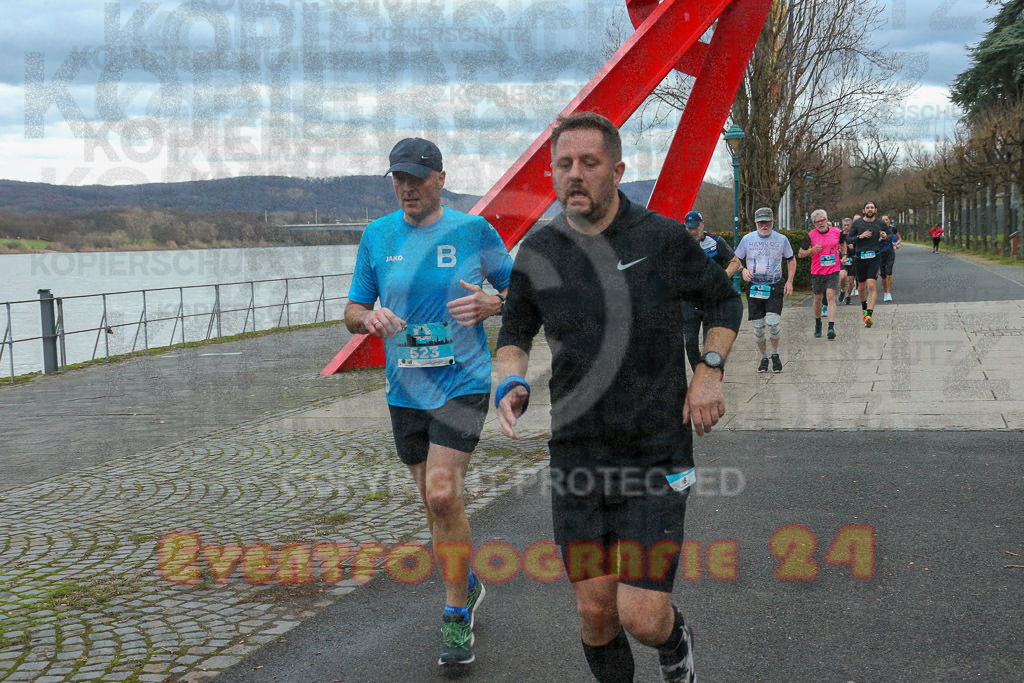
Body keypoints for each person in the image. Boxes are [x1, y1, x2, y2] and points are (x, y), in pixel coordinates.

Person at [495, 112, 742, 683]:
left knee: (643, 617)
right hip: (577, 453)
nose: (575, 174)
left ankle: (675, 642)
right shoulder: (540, 250)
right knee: (595, 610)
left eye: (590, 162)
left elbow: (724, 302)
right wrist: (510, 382)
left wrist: (709, 370)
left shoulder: (661, 239)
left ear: (618, 170)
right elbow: (515, 333)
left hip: (655, 451)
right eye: (564, 164)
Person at [344, 137, 513, 666]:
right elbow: (352, 309)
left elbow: (521, 292)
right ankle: (467, 580)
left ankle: (456, 613)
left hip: (463, 380)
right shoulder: (377, 235)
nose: (407, 187)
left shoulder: (473, 231)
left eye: (417, 178)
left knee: (441, 496)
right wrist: (368, 318)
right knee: (434, 501)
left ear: (440, 178)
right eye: (398, 178)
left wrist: (493, 303)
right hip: (405, 389)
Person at [734, 207, 796, 372]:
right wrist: (743, 270)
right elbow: (735, 259)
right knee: (759, 328)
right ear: (755, 222)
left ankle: (775, 354)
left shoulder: (781, 239)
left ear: (773, 221)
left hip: (774, 286)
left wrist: (789, 281)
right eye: (760, 222)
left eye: (767, 222)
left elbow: (791, 259)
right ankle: (764, 358)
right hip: (755, 287)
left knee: (773, 324)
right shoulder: (747, 239)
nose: (764, 225)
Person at [682, 210, 741, 371]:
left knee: (709, 343)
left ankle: (710, 373)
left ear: (702, 225)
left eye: (695, 227)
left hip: (712, 301)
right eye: (689, 228)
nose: (692, 231)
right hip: (690, 302)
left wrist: (723, 276)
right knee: (690, 343)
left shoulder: (715, 242)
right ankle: (699, 373)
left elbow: (735, 262)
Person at [798, 209, 844, 339]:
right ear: (814, 223)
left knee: (830, 296)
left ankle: (831, 327)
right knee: (818, 299)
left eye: (822, 220)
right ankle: (818, 323)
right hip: (817, 272)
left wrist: (844, 254)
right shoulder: (810, 235)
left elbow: (842, 243)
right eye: (817, 222)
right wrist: (811, 250)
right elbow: (800, 254)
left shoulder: (836, 232)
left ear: (826, 220)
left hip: (833, 270)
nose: (820, 223)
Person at [850, 201, 887, 327]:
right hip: (860, 257)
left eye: (872, 207)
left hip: (874, 256)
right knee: (861, 286)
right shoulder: (857, 223)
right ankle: (864, 308)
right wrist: (860, 237)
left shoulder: (880, 223)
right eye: (867, 207)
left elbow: (890, 234)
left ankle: (869, 315)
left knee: (871, 285)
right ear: (863, 210)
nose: (870, 209)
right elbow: (849, 238)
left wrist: (885, 235)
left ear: (876, 210)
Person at [878, 214, 901, 302]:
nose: (885, 221)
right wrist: (880, 239)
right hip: (880, 253)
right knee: (883, 274)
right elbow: (873, 242)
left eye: (886, 219)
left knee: (889, 271)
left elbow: (899, 239)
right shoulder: (878, 230)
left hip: (890, 252)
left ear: (889, 220)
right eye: (883, 220)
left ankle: (888, 292)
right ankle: (885, 292)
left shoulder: (892, 229)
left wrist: (896, 244)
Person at [838, 217, 856, 304]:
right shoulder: (840, 235)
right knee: (842, 276)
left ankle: (848, 296)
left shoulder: (855, 234)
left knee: (851, 281)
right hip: (843, 259)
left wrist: (854, 247)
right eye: (844, 225)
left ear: (851, 225)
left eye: (848, 225)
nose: (846, 227)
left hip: (852, 258)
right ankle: (842, 290)